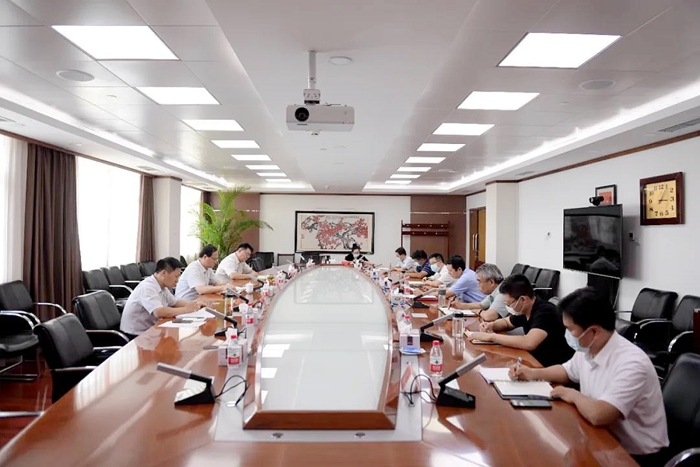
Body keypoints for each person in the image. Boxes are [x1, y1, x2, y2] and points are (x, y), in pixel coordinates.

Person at [509, 288, 669, 466]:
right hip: (600, 438)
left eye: (570, 329)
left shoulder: (632, 364)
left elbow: (600, 415)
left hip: (634, 455)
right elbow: (567, 371)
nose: (566, 334)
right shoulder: (590, 347)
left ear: (593, 331)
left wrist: (571, 394)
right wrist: (532, 373)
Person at [467, 274, 573, 367]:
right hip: (533, 360)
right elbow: (506, 322)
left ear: (522, 299)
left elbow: (529, 342)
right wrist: (491, 325)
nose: (508, 307)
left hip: (552, 367)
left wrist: (491, 337)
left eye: (509, 304)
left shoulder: (545, 312)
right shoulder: (525, 309)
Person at [120, 257, 205, 337]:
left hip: (151, 330)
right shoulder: (147, 287)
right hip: (135, 335)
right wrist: (186, 309)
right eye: (176, 276)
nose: (177, 280)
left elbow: (175, 302)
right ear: (164, 273)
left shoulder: (162, 286)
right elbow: (158, 312)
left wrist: (196, 304)